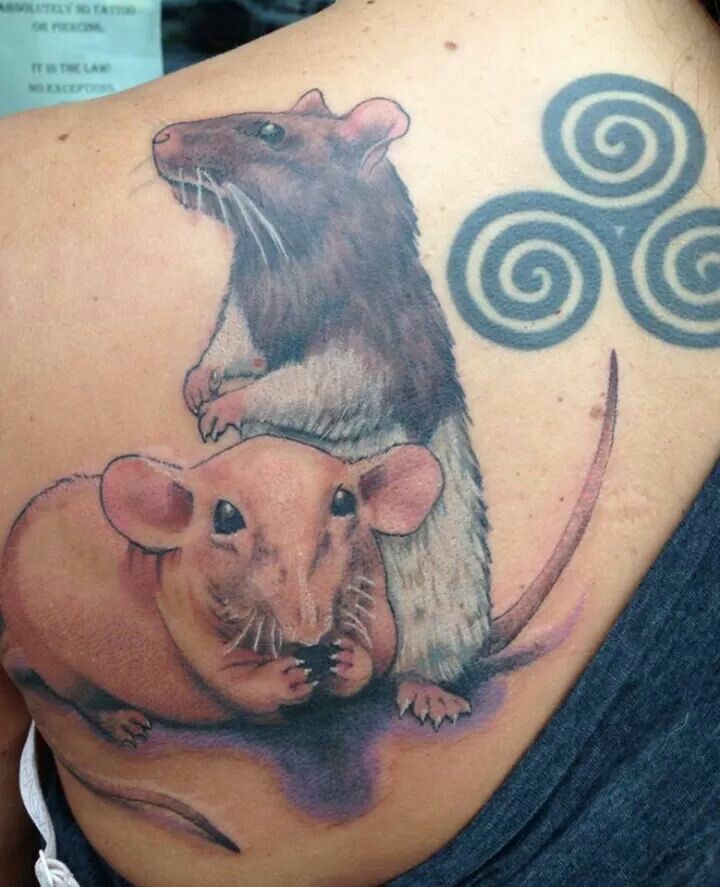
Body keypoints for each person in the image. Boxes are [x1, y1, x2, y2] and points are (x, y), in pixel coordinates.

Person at [1, 1, 719, 884]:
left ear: (361, 154)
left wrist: (253, 394)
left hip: (382, 477)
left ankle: (427, 665)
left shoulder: (24, 198)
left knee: (415, 572)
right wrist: (224, 362)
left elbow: (356, 381)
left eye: (270, 139)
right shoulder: (271, 244)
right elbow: (248, 312)